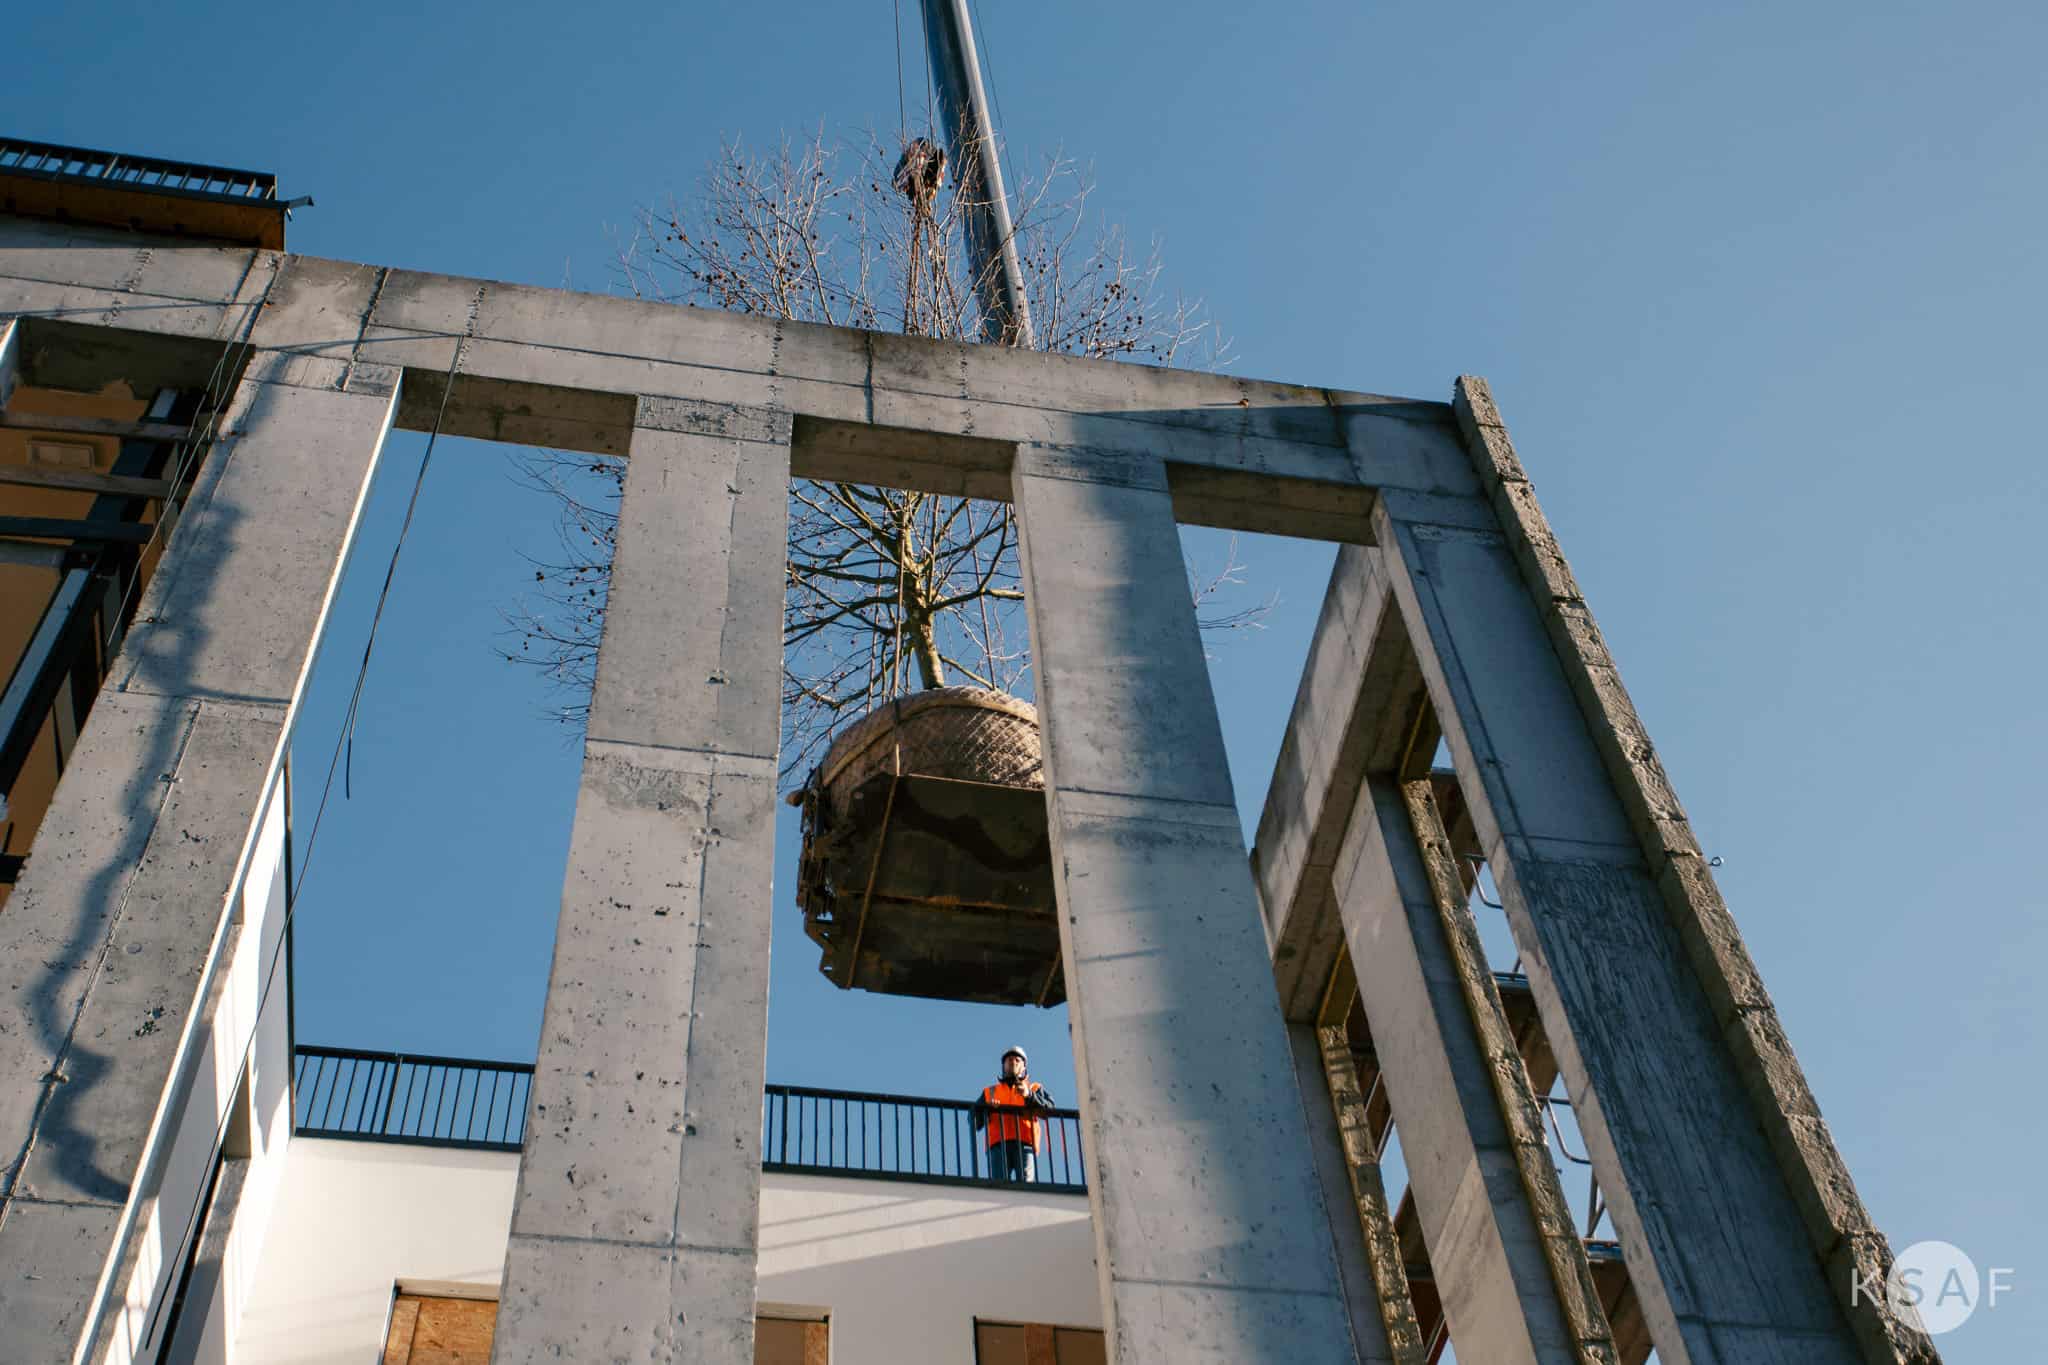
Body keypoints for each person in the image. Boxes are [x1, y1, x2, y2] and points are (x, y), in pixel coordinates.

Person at [971, 1045, 1055, 1183]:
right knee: (999, 1186)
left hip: (1025, 1143)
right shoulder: (990, 1091)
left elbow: (1050, 1110)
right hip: (998, 1144)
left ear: (1024, 1066)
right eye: (1009, 1059)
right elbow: (974, 1120)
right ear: (1003, 1065)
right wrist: (988, 1109)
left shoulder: (1034, 1088)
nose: (1013, 1062)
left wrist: (1029, 1096)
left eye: (1017, 1059)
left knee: (1027, 1185)